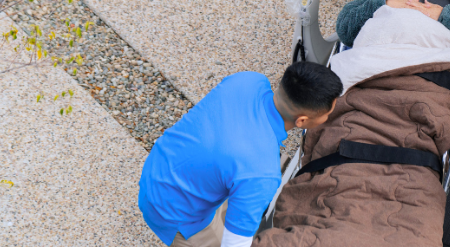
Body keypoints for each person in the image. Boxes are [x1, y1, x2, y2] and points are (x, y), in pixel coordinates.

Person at [138, 62, 342, 247]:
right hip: (172, 213)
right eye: (327, 114)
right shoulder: (262, 172)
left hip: (157, 168)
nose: (328, 117)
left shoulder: (248, 80)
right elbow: (234, 243)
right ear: (302, 121)